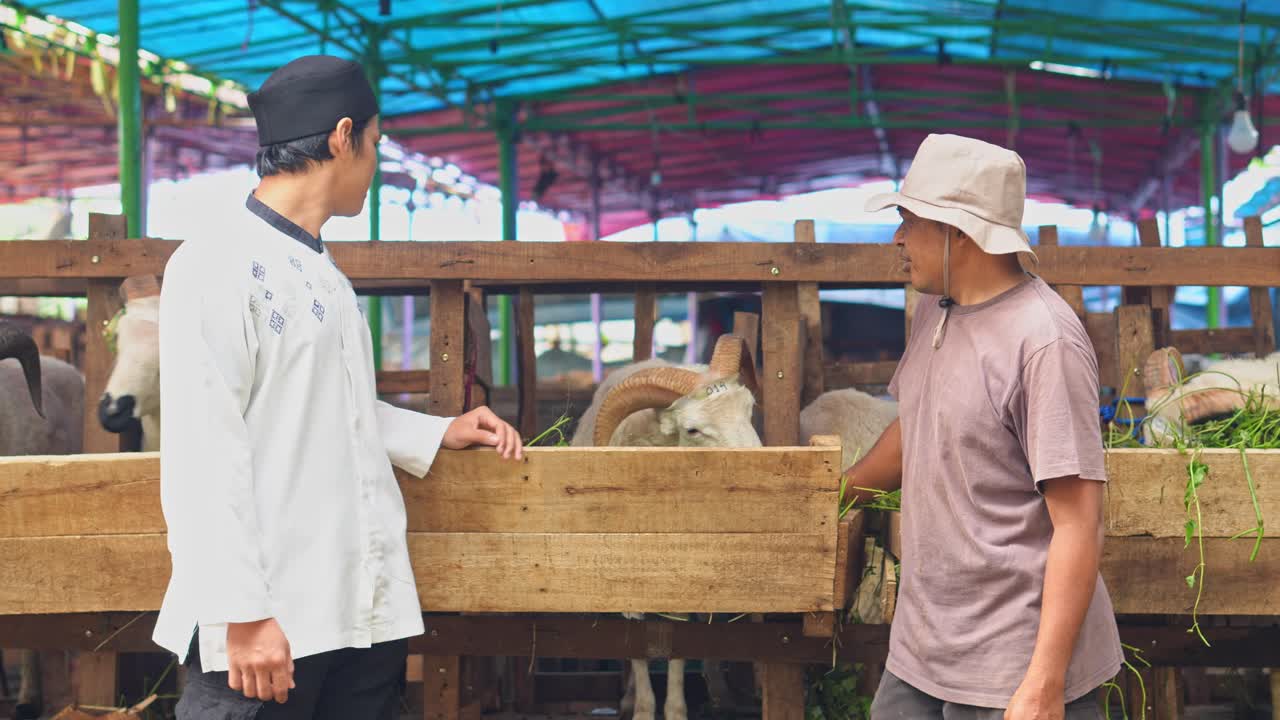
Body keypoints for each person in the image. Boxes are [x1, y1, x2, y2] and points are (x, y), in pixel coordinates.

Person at [152, 54, 524, 720]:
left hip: (356, 613)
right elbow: (201, 455)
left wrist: (440, 430)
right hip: (269, 627)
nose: (376, 162)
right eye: (376, 145)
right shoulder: (214, 262)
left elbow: (328, 410)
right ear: (342, 136)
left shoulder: (323, 269)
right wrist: (242, 614)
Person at [844, 134, 1123, 720]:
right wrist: (833, 494)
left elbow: (1079, 523)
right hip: (923, 647)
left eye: (908, 221)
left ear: (958, 232)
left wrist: (1043, 685)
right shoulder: (935, 308)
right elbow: (918, 425)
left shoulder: (1043, 340)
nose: (897, 238)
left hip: (1013, 664)